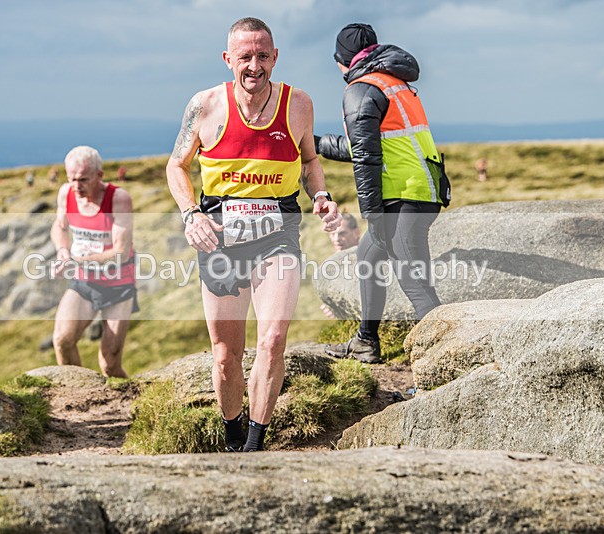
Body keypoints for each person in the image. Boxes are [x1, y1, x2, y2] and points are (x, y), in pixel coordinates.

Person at [166, 17, 339, 452]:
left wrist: (320, 195)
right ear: (228, 59)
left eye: (263, 56)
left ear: (275, 56)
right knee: (226, 356)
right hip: (221, 237)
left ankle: (255, 445)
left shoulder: (297, 103)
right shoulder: (203, 106)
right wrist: (191, 215)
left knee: (273, 338)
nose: (255, 66)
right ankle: (232, 431)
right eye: (245, 57)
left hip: (278, 234)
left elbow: (310, 160)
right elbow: (176, 166)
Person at [316, 23, 450, 364]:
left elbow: (366, 157)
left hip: (403, 198)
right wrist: (317, 145)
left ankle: (446, 363)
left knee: (414, 282)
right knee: (368, 258)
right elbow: (369, 145)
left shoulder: (361, 90)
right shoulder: (394, 83)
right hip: (422, 190)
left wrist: (372, 214)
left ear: (342, 60)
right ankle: (365, 341)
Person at [50, 146, 137, 378]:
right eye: (72, 179)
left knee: (109, 363)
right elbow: (59, 226)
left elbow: (121, 251)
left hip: (118, 284)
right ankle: (78, 395)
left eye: (83, 179)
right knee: (62, 341)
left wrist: (76, 261)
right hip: (84, 282)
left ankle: (129, 405)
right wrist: (62, 251)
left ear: (99, 175)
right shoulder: (65, 193)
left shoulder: (118, 199)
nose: (76, 185)